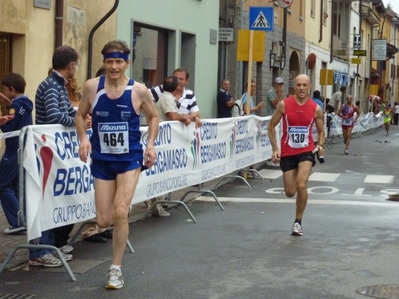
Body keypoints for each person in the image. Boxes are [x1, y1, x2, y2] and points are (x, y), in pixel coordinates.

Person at [75, 40, 159, 289]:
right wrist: (83, 139)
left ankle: (115, 269)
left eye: (118, 61)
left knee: (120, 210)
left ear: (126, 63)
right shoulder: (92, 87)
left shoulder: (138, 91)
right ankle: (120, 217)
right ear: (104, 63)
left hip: (129, 159)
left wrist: (151, 145)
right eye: (109, 61)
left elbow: (154, 116)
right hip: (102, 159)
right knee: (103, 220)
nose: (113, 66)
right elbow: (79, 115)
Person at [267, 74, 325, 236]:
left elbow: (321, 132)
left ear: (309, 86)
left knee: (301, 184)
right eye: (298, 85)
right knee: (290, 192)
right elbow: (271, 126)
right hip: (288, 151)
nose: (301, 88)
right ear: (294, 87)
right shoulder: (284, 105)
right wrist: (275, 149)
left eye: (304, 85)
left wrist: (320, 145)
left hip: (306, 150)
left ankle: (298, 222)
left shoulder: (316, 108)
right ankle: (298, 208)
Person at [0, 73, 33, 235]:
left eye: (5, 89)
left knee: (2, 185)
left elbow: (9, 128)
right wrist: (8, 103)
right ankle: (24, 219)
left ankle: (18, 222)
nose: (3, 93)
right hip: (23, 150)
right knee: (16, 185)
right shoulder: (25, 103)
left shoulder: (15, 106)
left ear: (12, 89)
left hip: (13, 151)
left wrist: (1, 122)